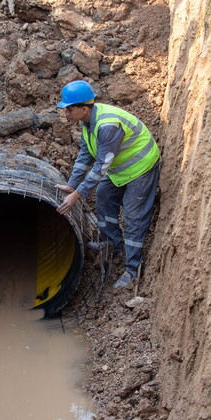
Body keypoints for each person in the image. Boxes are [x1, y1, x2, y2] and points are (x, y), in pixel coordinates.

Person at [55, 81, 160, 288]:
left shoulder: (107, 125)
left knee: (133, 217)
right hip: (120, 170)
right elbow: (85, 154)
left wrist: (78, 195)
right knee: (103, 197)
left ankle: (132, 270)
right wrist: (73, 184)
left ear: (84, 108)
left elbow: (102, 165)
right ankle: (113, 244)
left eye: (69, 108)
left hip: (140, 168)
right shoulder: (86, 122)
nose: (65, 113)